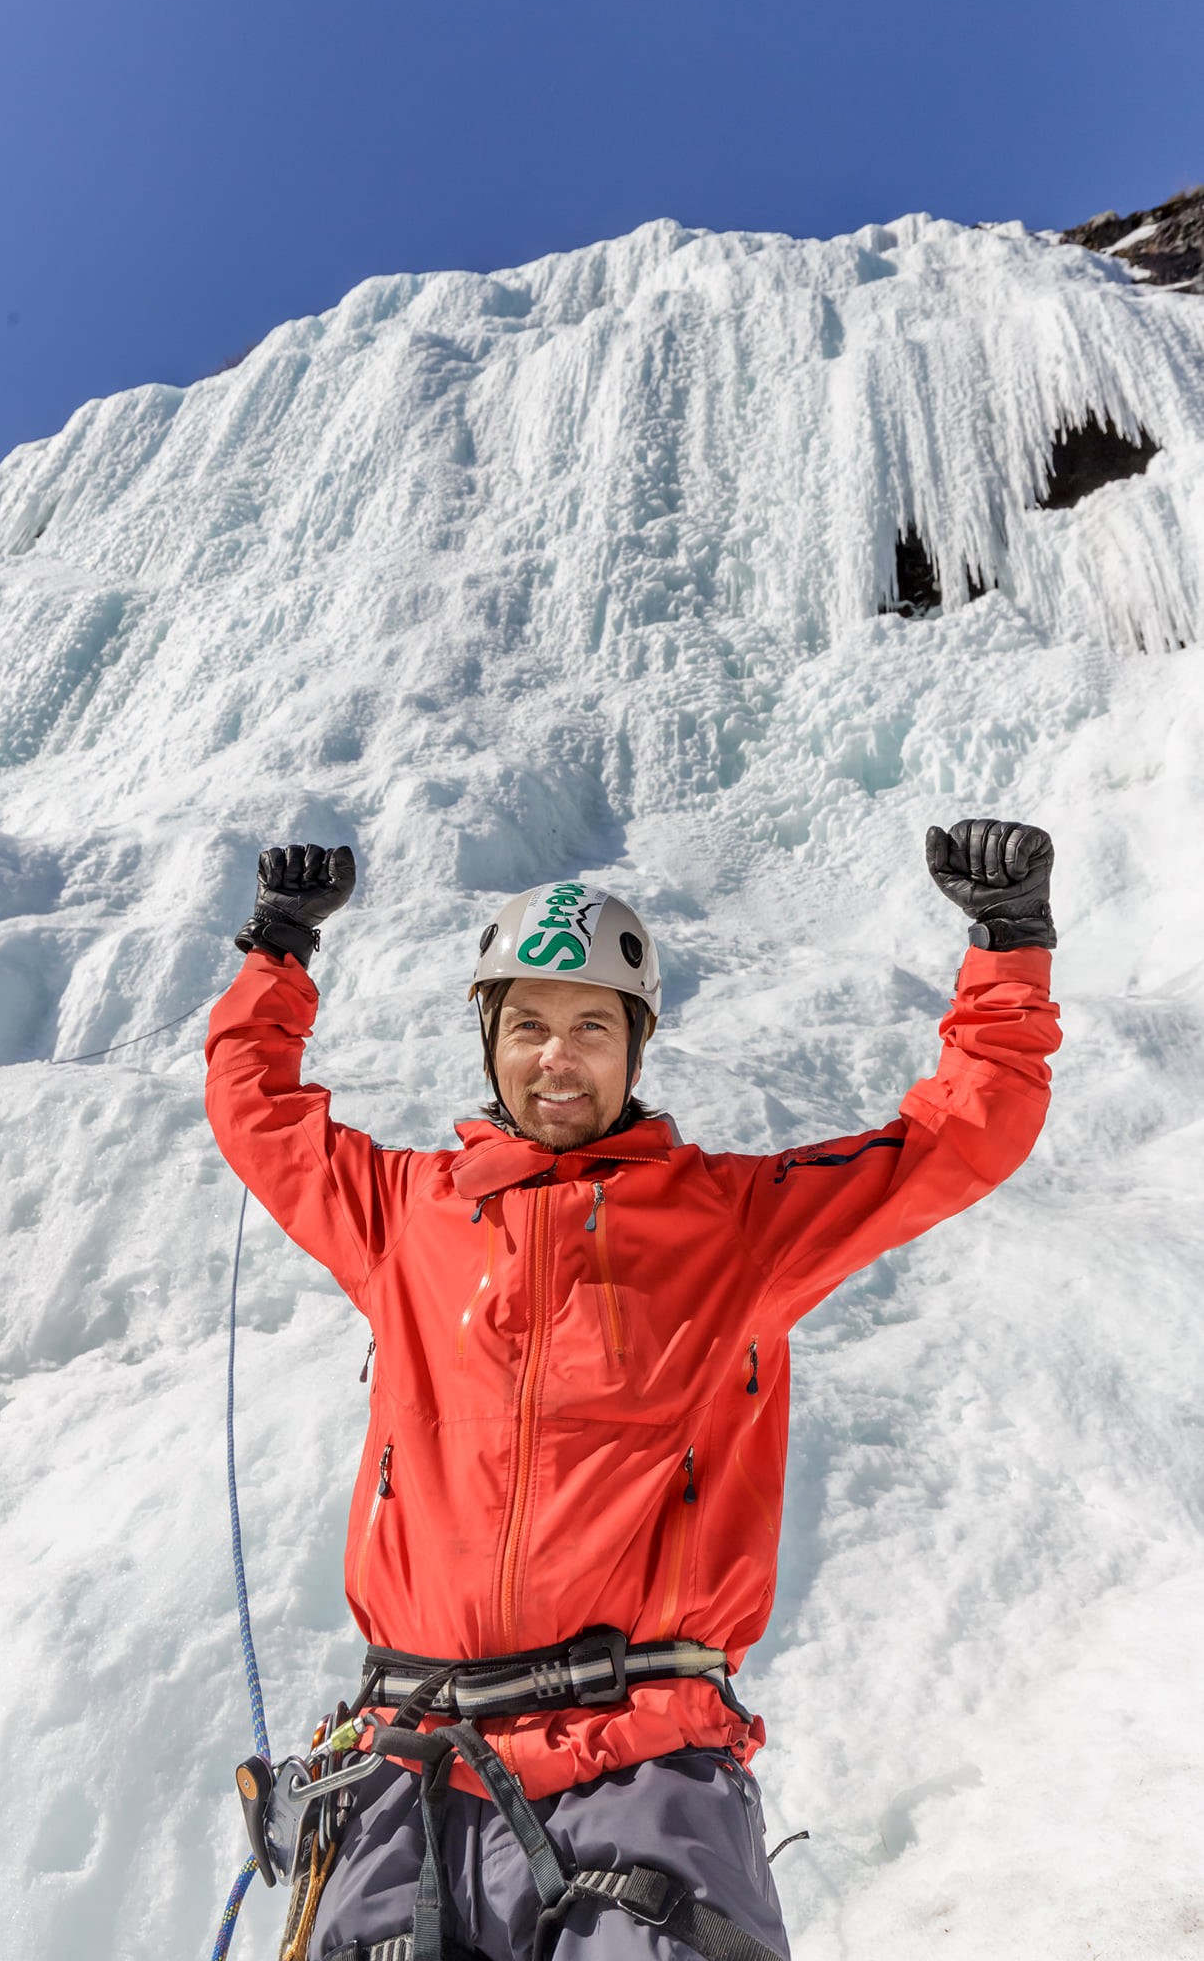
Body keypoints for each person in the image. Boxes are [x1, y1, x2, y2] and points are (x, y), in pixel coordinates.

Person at [205, 821, 1061, 1961]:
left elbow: (958, 1139)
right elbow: (255, 1109)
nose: (557, 1058)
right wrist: (276, 949)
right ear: (491, 1041)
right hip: (410, 1766)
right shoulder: (405, 1213)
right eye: (529, 1027)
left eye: (590, 1027)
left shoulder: (736, 1221)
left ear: (635, 1048)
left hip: (640, 1758)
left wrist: (1009, 946)